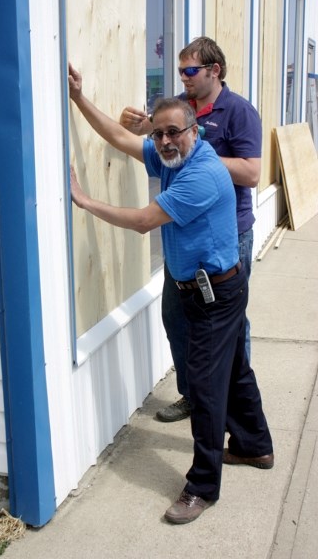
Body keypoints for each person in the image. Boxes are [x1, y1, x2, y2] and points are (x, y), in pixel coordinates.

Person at [68, 65, 274, 525]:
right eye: (158, 133)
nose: (163, 141)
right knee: (235, 368)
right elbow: (122, 140)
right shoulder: (172, 157)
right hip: (211, 288)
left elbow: (144, 221)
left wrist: (84, 201)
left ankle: (202, 486)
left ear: (194, 131)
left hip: (213, 297)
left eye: (173, 132)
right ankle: (254, 446)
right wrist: (80, 100)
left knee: (203, 387)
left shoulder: (202, 174)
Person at [120, 37, 261, 423]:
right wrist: (158, 132)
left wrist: (199, 150)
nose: (183, 77)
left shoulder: (238, 112)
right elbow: (154, 148)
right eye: (180, 70)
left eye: (190, 70)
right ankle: (194, 394)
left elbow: (251, 173)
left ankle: (230, 408)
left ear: (215, 70)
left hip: (228, 238)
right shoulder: (182, 113)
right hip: (183, 239)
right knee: (175, 318)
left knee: (229, 332)